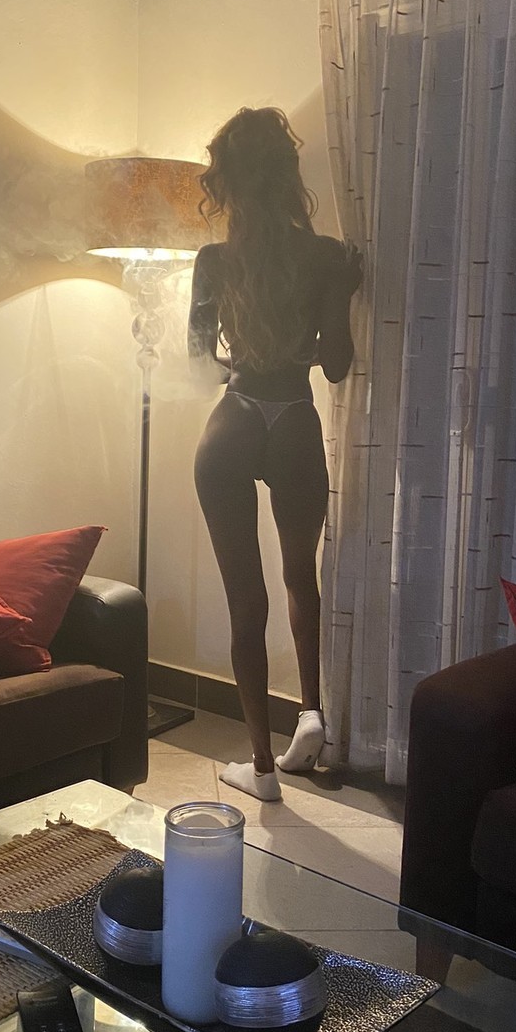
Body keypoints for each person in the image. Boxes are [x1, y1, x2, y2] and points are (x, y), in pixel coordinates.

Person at [189, 106, 361, 802]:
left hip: (232, 425)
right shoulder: (326, 257)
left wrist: (242, 359)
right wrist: (322, 323)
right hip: (293, 417)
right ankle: (310, 713)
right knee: (301, 578)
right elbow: (339, 366)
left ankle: (261, 768)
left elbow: (200, 365)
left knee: (246, 601)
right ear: (288, 175)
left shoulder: (213, 262)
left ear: (226, 183)